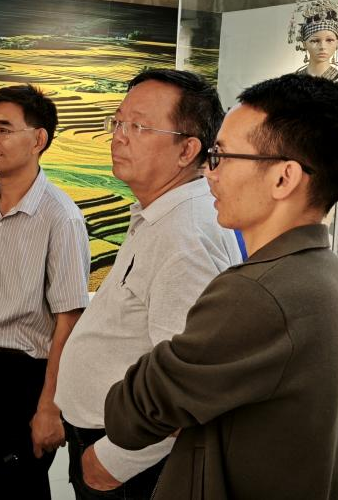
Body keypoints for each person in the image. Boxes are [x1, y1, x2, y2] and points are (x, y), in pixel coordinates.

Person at [104, 73, 338, 499]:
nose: (209, 173)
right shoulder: (328, 274)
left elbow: (130, 413)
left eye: (222, 156)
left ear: (283, 178)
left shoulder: (255, 293)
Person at [56, 69, 241, 499]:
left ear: (187, 150)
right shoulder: (161, 214)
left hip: (129, 459)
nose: (118, 136)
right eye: (118, 122)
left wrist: (113, 461)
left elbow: (188, 385)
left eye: (138, 126)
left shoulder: (184, 237)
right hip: (112, 437)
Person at [0, 85, 91, 499]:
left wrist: (50, 406)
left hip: (24, 378)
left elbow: (69, 318)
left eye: (3, 130)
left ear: (38, 139)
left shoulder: (61, 218)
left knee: (17, 490)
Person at [288, 0, 338, 82]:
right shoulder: (290, 83)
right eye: (315, 41)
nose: (322, 47)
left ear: (337, 42)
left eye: (329, 40)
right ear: (304, 44)